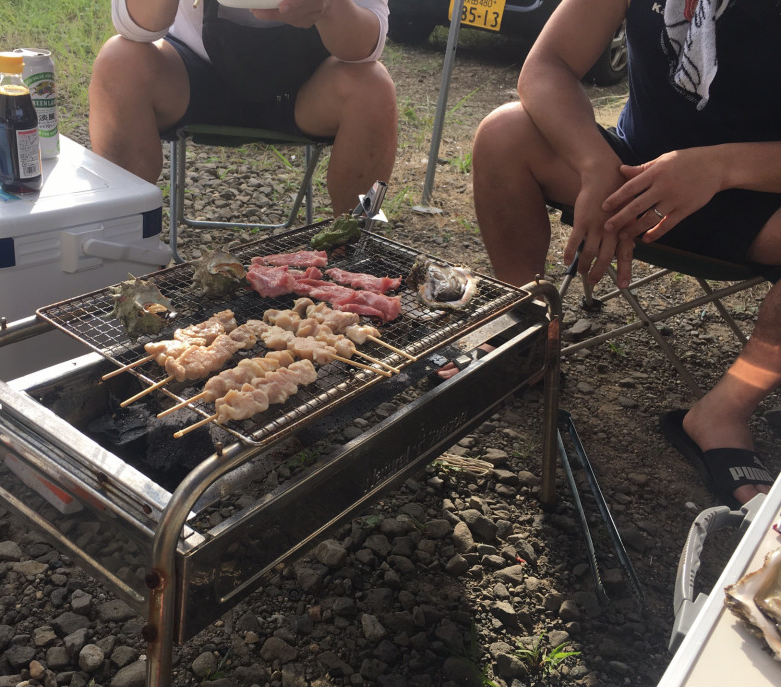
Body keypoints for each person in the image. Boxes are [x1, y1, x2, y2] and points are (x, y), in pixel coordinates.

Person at [471, 0, 781, 508]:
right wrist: (593, 162)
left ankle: (723, 412)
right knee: (505, 133)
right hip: (631, 179)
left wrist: (721, 167)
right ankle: (523, 334)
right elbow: (548, 64)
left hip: (761, 201)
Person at [89, 0, 398, 217]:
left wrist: (330, 7)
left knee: (373, 88)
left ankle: (357, 243)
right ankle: (122, 239)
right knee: (120, 63)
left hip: (307, 89)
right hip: (192, 72)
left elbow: (367, 46)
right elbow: (134, 26)